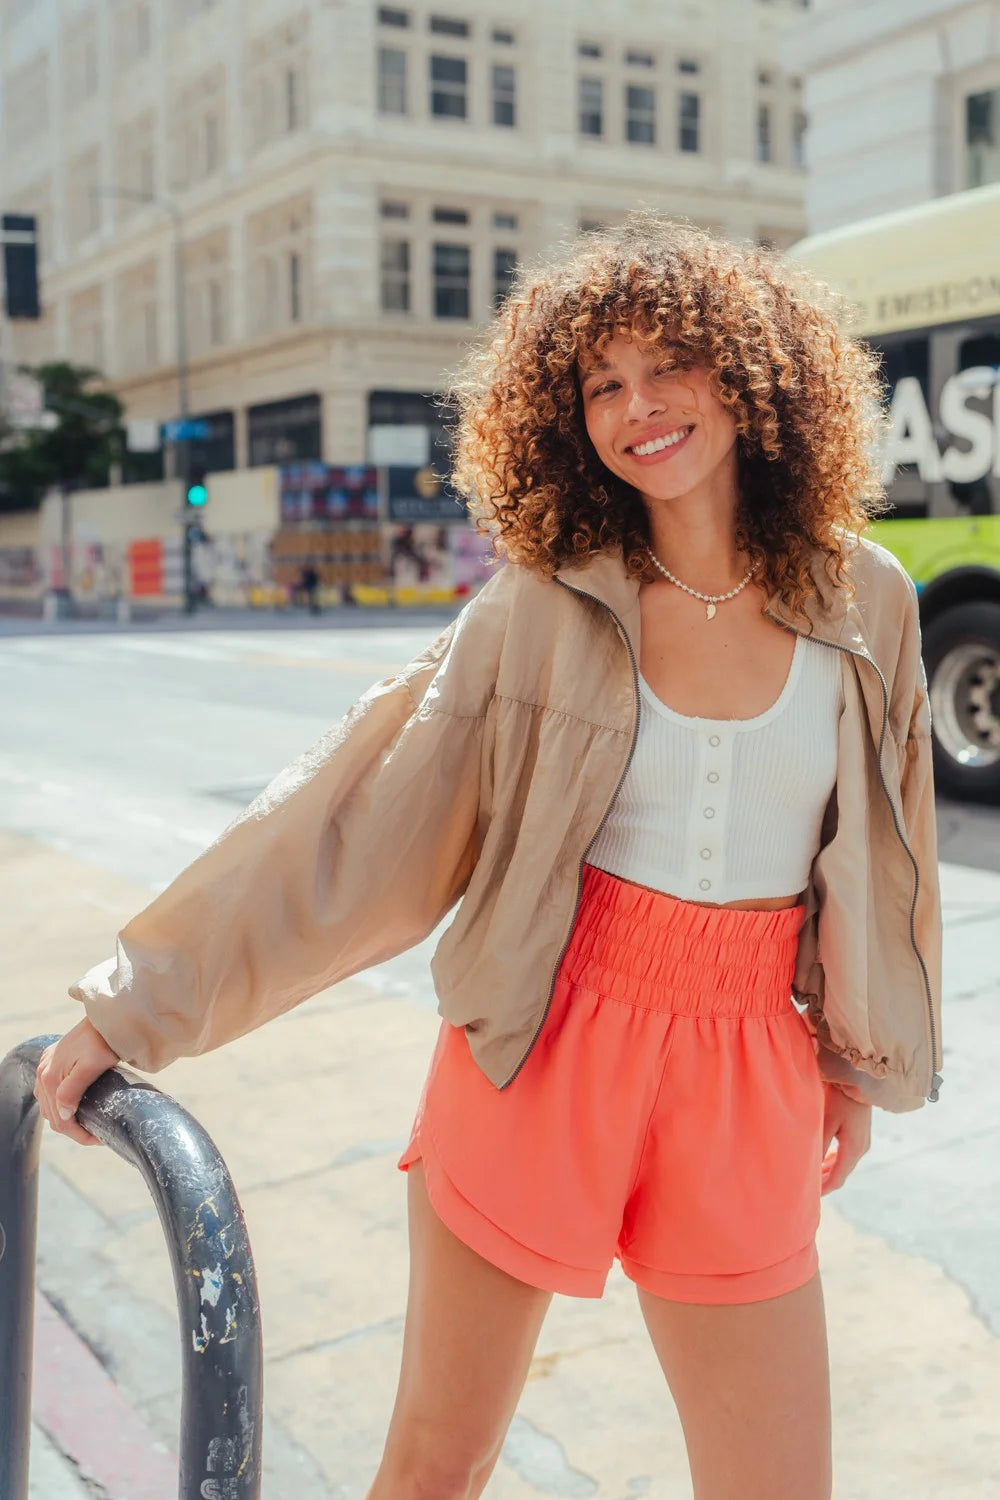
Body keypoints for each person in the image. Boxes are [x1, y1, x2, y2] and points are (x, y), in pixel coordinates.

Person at [35, 216, 942, 1500]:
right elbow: (349, 818)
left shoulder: (871, 602)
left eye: (665, 366)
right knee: (435, 1465)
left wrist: (851, 1061)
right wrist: (134, 1003)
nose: (637, 410)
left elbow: (880, 862)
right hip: (541, 1038)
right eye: (600, 385)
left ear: (747, 372)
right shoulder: (541, 604)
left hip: (752, 1063)